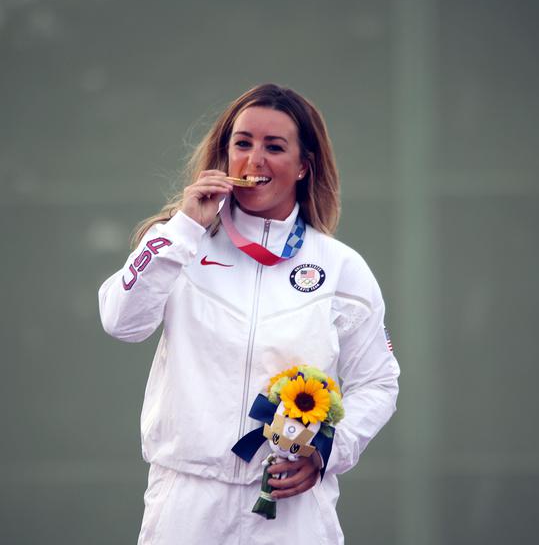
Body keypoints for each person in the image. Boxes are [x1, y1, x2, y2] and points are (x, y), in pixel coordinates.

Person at [98, 84, 400, 544]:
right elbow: (121, 322)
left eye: (274, 147)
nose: (254, 159)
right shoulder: (180, 242)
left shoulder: (340, 267)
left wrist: (325, 450)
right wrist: (183, 227)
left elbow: (378, 382)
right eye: (242, 143)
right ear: (225, 155)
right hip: (187, 500)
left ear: (303, 166)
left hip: (291, 504)